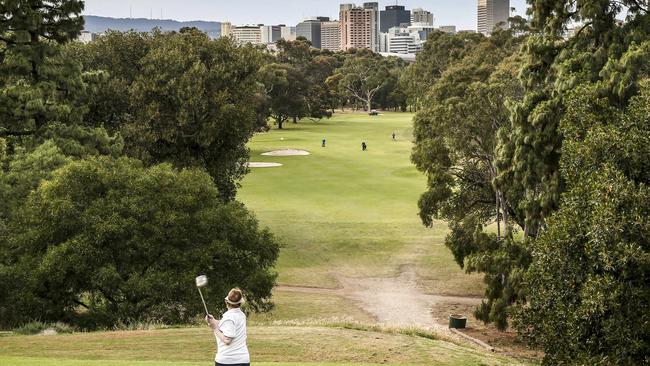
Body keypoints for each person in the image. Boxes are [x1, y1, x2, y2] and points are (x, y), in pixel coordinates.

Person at [206, 288, 250, 366]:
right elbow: (226, 325)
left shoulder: (229, 317)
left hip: (228, 361)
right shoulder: (241, 315)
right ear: (240, 303)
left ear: (226, 302)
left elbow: (227, 340)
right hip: (243, 360)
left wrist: (215, 328)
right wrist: (213, 321)